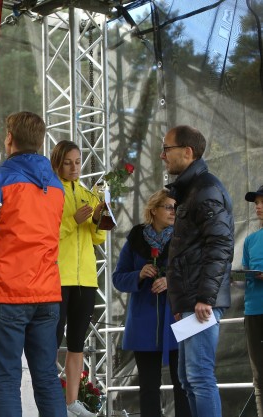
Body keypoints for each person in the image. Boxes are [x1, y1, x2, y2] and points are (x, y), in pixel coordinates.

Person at [0, 111, 67, 417]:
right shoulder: (57, 185)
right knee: (47, 378)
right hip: (47, 294)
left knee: (7, 380)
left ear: (9, 139)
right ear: (40, 141)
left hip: (8, 292)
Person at [161, 125, 234, 417]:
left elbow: (220, 244)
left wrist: (205, 297)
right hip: (191, 300)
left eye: (167, 149)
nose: (162, 156)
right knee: (188, 379)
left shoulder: (205, 189)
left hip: (201, 300)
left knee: (199, 376)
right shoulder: (193, 189)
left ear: (187, 152)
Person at [112, 189, 191, 417]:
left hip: (178, 320)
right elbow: (118, 278)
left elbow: (194, 275)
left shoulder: (183, 237)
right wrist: (138, 274)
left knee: (183, 384)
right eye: (168, 207)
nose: (173, 212)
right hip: (143, 323)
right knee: (148, 387)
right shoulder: (136, 238)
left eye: (176, 208)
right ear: (153, 210)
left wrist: (170, 281)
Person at [49, 140, 106, 417]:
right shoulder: (50, 192)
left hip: (86, 279)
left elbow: (98, 237)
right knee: (50, 341)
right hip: (58, 277)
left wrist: (97, 219)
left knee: (77, 343)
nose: (74, 168)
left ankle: (72, 402)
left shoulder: (88, 194)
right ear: (57, 163)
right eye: (68, 162)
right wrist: (73, 220)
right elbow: (47, 233)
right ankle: (48, 400)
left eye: (77, 162)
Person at [243, 185, 263, 417]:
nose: (258, 207)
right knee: (259, 375)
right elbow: (247, 273)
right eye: (256, 203)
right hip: (253, 310)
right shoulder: (250, 241)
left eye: (262, 202)